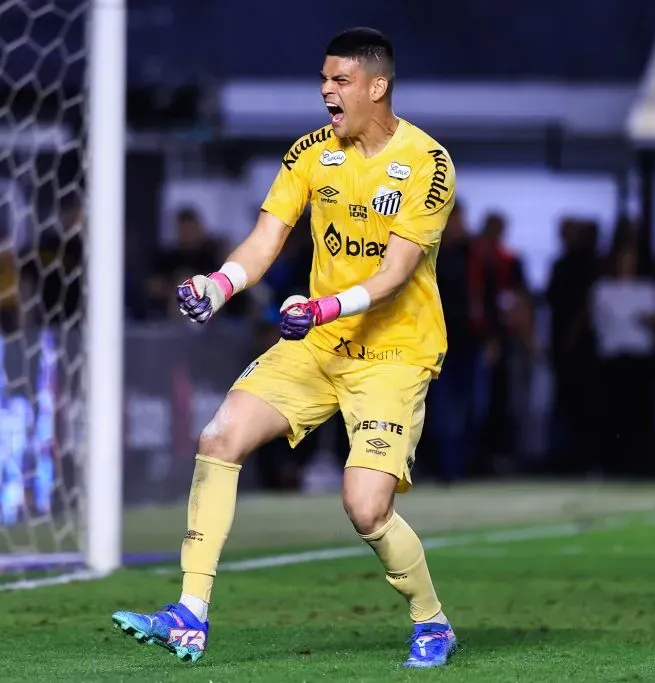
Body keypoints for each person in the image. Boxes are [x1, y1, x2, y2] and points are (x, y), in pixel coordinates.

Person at [112, 27, 458, 668]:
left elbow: (395, 273)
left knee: (364, 506)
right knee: (219, 436)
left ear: (377, 87)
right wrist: (220, 283)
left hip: (395, 353)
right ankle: (190, 613)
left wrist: (322, 304)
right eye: (324, 80)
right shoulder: (310, 153)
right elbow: (265, 239)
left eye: (340, 81)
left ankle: (431, 621)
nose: (327, 91)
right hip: (317, 343)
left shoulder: (429, 163)